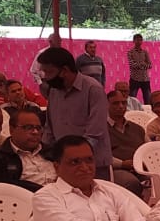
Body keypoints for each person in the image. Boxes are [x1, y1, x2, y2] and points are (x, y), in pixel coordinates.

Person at [38, 47, 113, 178]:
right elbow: (50, 128)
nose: (46, 77)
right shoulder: (54, 91)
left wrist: (75, 157)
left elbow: (95, 132)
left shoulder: (93, 89)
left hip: (93, 166)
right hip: (65, 164)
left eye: (49, 72)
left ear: (64, 71)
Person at [0, 106, 56, 191]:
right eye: (28, 128)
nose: (35, 132)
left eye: (38, 128)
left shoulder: (53, 152)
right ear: (12, 130)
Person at [107, 90, 148, 197]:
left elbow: (149, 149)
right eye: (116, 103)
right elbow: (100, 155)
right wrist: (122, 164)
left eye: (123, 103)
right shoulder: (101, 130)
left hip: (141, 167)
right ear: (106, 105)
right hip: (117, 169)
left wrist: (144, 162)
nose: (121, 106)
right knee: (131, 183)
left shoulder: (138, 129)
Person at [125, 33, 152, 104]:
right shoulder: (130, 52)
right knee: (132, 99)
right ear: (133, 41)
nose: (139, 42)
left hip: (145, 79)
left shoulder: (145, 52)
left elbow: (150, 65)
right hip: (134, 78)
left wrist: (140, 65)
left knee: (148, 99)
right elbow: (132, 65)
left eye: (140, 40)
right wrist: (142, 64)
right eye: (137, 40)